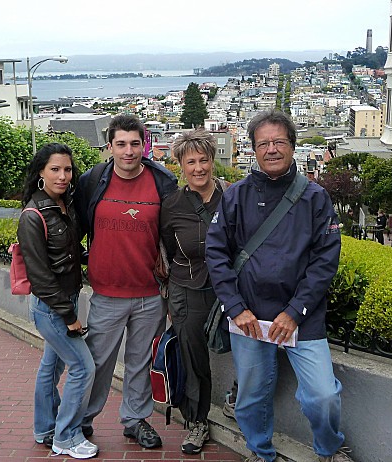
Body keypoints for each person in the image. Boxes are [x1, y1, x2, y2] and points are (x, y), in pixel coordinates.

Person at [205, 110, 353, 462]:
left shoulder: (315, 198)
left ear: (292, 146)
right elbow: (215, 252)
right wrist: (235, 308)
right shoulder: (236, 196)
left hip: (302, 316)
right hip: (250, 316)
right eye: (263, 143)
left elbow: (324, 261)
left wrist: (295, 311)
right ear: (253, 149)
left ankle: (328, 447)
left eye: (279, 142)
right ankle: (259, 450)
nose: (271, 149)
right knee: (252, 395)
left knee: (322, 396)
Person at [74, 115, 178, 449]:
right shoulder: (94, 180)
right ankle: (82, 419)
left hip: (150, 294)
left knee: (140, 361)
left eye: (135, 143)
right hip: (106, 292)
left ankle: (135, 419)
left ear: (144, 145)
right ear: (110, 147)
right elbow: (73, 227)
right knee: (97, 362)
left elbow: (174, 236)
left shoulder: (162, 182)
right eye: (121, 144)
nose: (129, 151)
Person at [17, 143, 98, 459]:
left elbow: (68, 253)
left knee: (51, 368)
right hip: (53, 308)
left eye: (67, 169)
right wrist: (69, 316)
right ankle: (66, 436)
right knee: (83, 367)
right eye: (55, 169)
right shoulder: (33, 216)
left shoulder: (64, 205)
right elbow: (40, 277)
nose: (63, 176)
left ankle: (45, 428)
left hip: (67, 300)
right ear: (40, 172)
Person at [160, 128, 225, 454]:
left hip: (227, 289)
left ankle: (236, 400)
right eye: (191, 162)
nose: (198, 168)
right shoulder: (172, 205)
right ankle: (197, 422)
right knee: (193, 357)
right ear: (180, 166)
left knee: (249, 351)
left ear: (213, 161)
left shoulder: (231, 198)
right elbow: (168, 249)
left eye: (203, 160)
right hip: (187, 288)